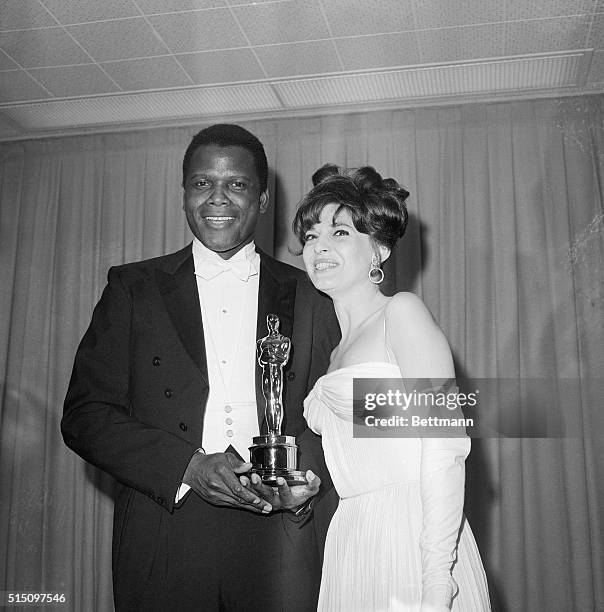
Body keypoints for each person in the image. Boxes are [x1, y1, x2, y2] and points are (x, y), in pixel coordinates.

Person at [61, 124, 340, 611]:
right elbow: (85, 416)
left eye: (236, 184)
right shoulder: (133, 288)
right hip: (163, 531)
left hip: (280, 538)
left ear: (263, 197)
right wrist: (187, 465)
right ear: (184, 193)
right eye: (201, 183)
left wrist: (308, 485)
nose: (218, 198)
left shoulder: (309, 294)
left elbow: (340, 415)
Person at [293, 164, 491, 611]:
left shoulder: (401, 313)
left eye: (340, 233)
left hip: (413, 537)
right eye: (310, 236)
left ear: (378, 249)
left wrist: (438, 582)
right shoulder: (334, 352)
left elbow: (444, 446)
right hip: (352, 537)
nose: (318, 246)